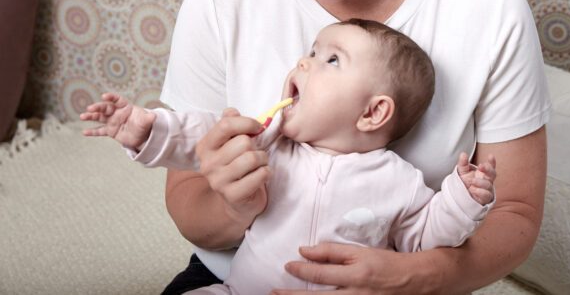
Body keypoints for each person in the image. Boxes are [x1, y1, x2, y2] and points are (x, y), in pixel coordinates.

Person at [155, 0, 551, 293]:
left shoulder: (489, 5)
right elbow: (188, 201)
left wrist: (413, 277)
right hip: (234, 280)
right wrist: (234, 206)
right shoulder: (219, 0)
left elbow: (514, 212)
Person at [81, 19, 497, 294]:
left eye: (330, 60)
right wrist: (147, 127)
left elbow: (424, 236)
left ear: (373, 112)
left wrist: (463, 198)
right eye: (312, 51)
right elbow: (202, 136)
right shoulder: (270, 142)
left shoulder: (400, 182)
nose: (304, 61)